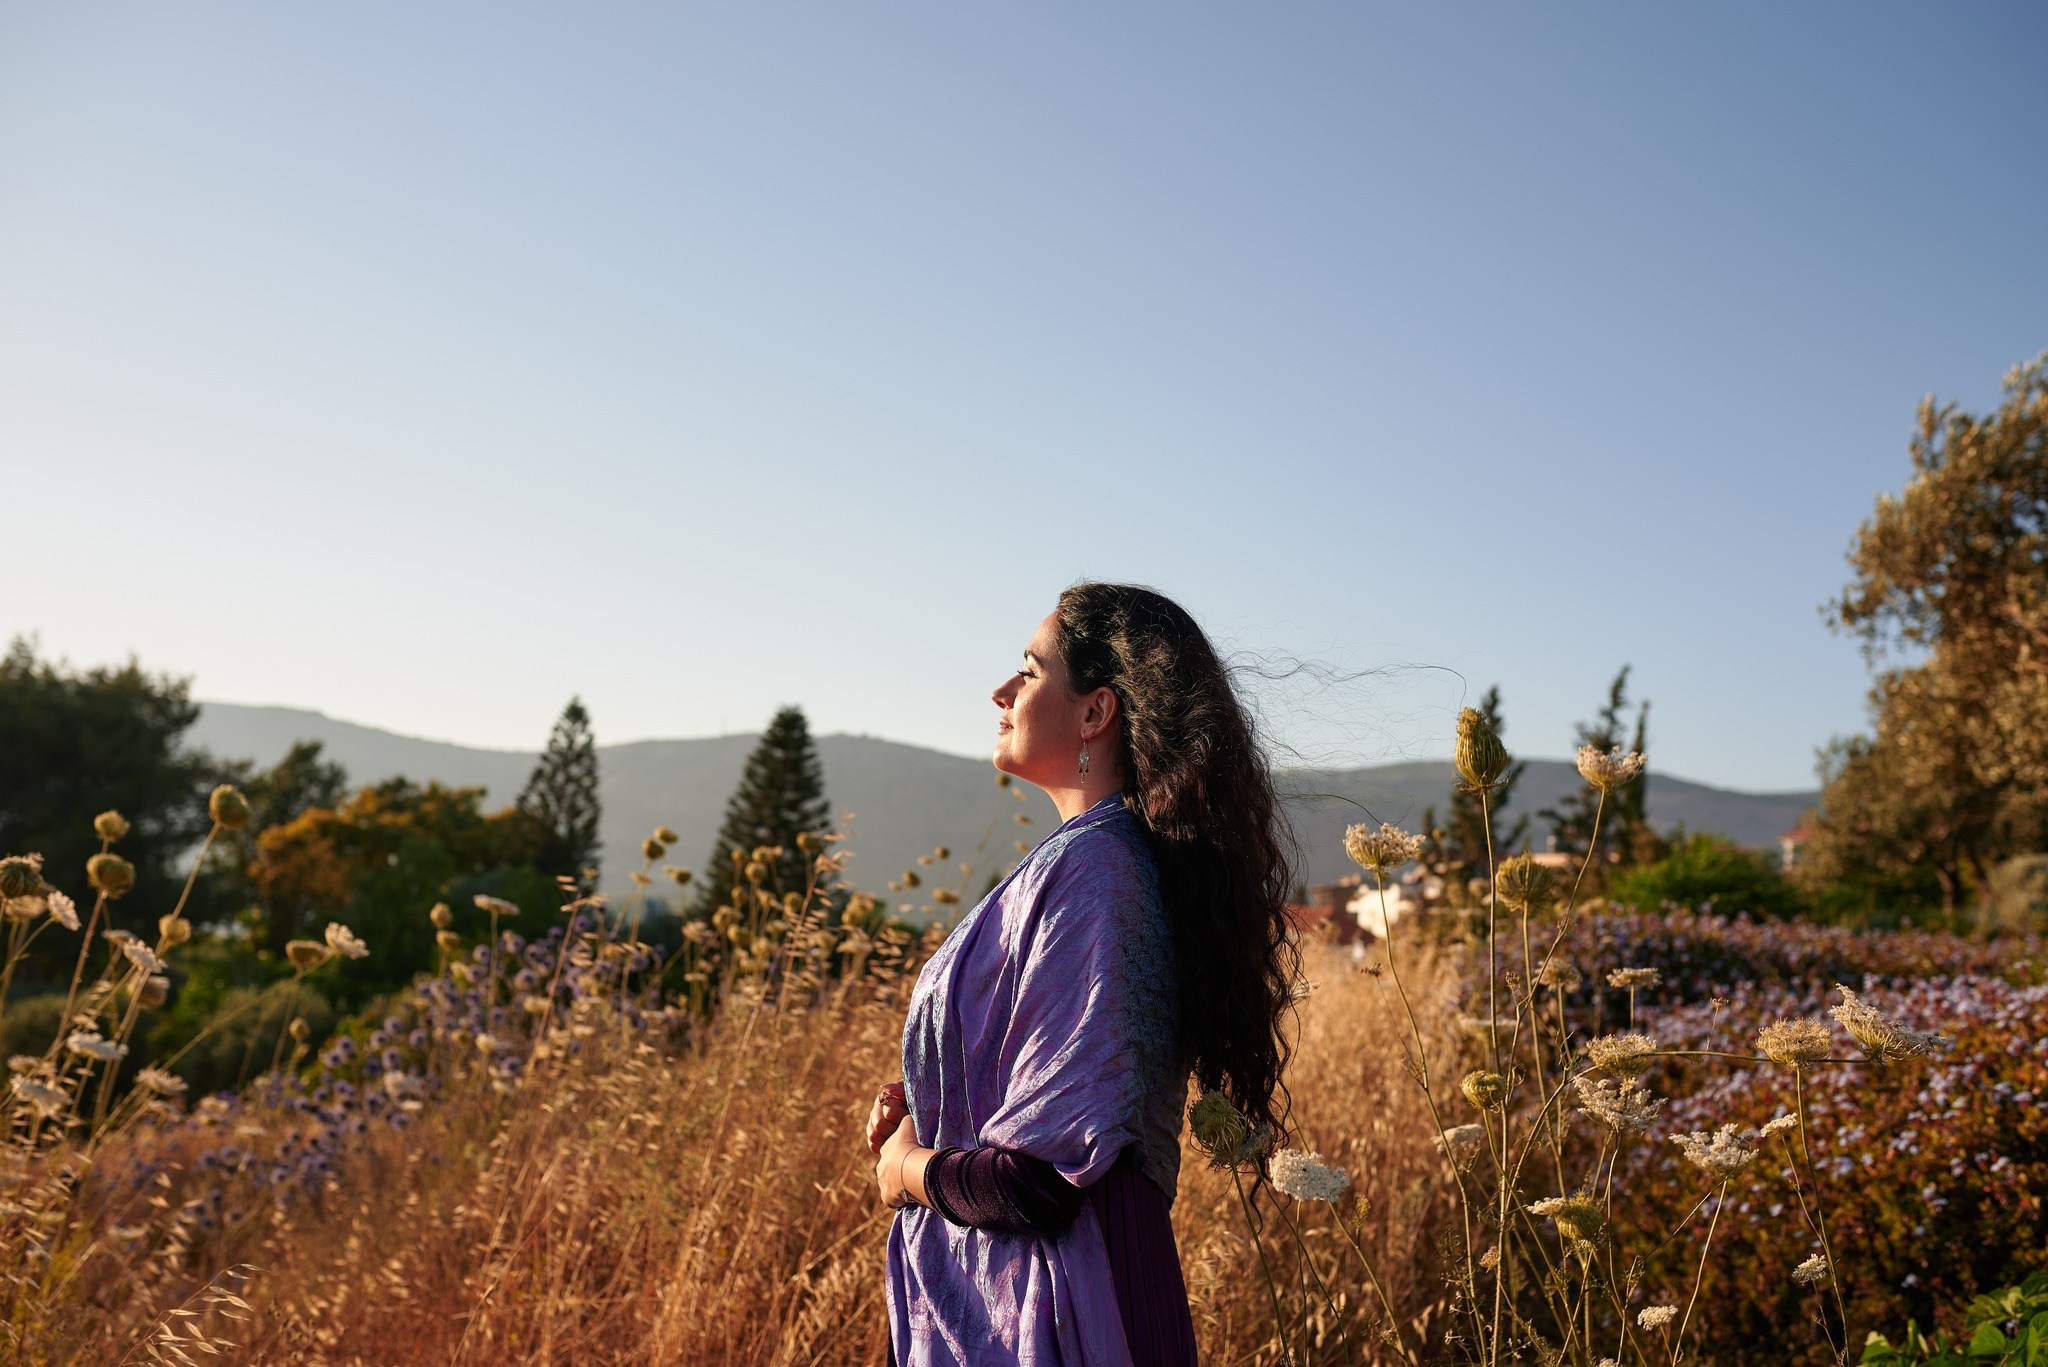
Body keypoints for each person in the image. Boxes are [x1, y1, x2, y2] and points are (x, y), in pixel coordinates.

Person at [868, 582, 1297, 1366]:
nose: (1000, 691)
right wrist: (935, 1097)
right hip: (1033, 1292)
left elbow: (1042, 1177)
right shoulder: (1090, 865)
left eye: (1029, 672)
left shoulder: (1099, 874)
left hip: (1069, 1310)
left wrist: (907, 1168)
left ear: (1096, 713)